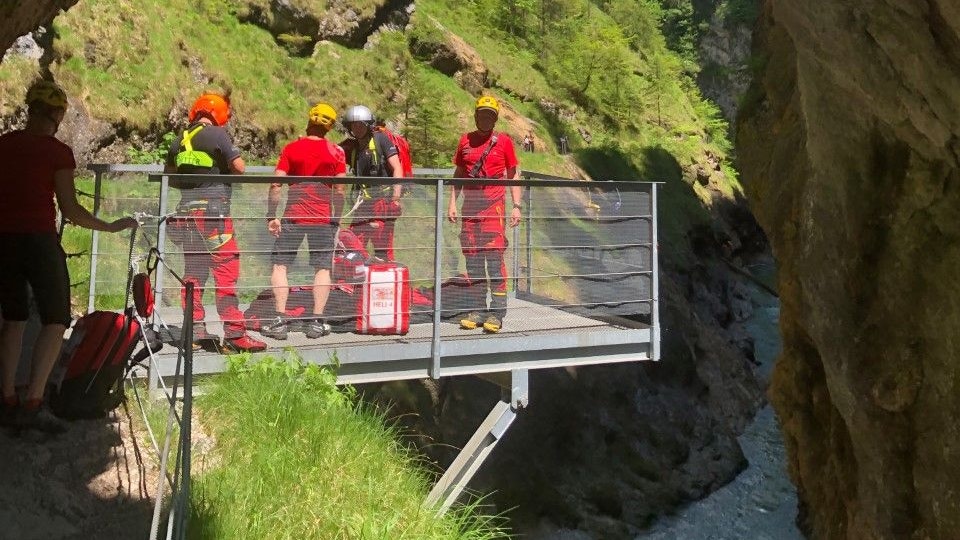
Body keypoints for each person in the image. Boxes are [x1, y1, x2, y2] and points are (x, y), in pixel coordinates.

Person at [0, 80, 137, 432]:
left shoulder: (4, 145)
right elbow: (71, 210)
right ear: (58, 114)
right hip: (39, 243)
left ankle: (6, 400)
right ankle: (32, 402)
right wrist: (108, 227)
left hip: (4, 242)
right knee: (55, 320)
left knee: (13, 320)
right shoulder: (58, 153)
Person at [165, 91, 266, 353]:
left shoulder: (178, 141)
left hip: (185, 215)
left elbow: (170, 177)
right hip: (212, 217)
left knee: (194, 274)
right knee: (226, 272)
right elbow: (240, 167)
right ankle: (234, 334)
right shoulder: (218, 135)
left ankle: (195, 332)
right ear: (218, 114)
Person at [261, 103, 347, 340]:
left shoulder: (291, 148)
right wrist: (336, 217)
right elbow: (339, 190)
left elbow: (276, 184)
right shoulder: (337, 152)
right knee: (322, 268)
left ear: (309, 120)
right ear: (329, 127)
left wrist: (271, 215)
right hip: (322, 218)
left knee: (280, 266)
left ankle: (279, 322)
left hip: (293, 216)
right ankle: (317, 321)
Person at [447, 96, 522, 334]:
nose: (486, 118)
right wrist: (452, 202)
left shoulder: (504, 142)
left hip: (493, 208)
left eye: (490, 115)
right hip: (470, 208)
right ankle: (479, 309)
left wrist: (516, 205)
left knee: (494, 257)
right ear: (476, 115)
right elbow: (458, 173)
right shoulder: (465, 141)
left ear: (495, 118)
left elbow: (513, 175)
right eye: (482, 114)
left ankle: (497, 312)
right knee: (473, 258)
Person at [338, 105, 404, 261]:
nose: (357, 128)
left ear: (368, 125)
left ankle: (387, 278)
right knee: (354, 243)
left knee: (382, 246)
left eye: (360, 124)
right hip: (362, 204)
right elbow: (330, 152)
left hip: (382, 203)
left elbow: (397, 168)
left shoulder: (381, 139)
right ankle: (357, 280)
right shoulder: (351, 146)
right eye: (353, 125)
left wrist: (395, 198)